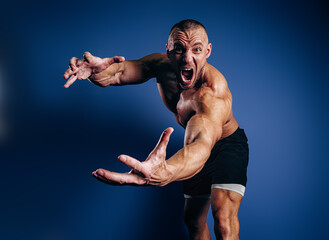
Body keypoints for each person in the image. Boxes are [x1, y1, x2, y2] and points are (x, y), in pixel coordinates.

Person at [63, 19, 249, 240]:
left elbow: (203, 145)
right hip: (194, 145)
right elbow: (118, 73)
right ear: (168, 50)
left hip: (225, 147)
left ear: (208, 51)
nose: (187, 58)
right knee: (193, 220)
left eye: (196, 50)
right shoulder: (162, 66)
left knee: (223, 222)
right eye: (179, 49)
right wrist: (95, 73)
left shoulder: (211, 94)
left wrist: (166, 171)